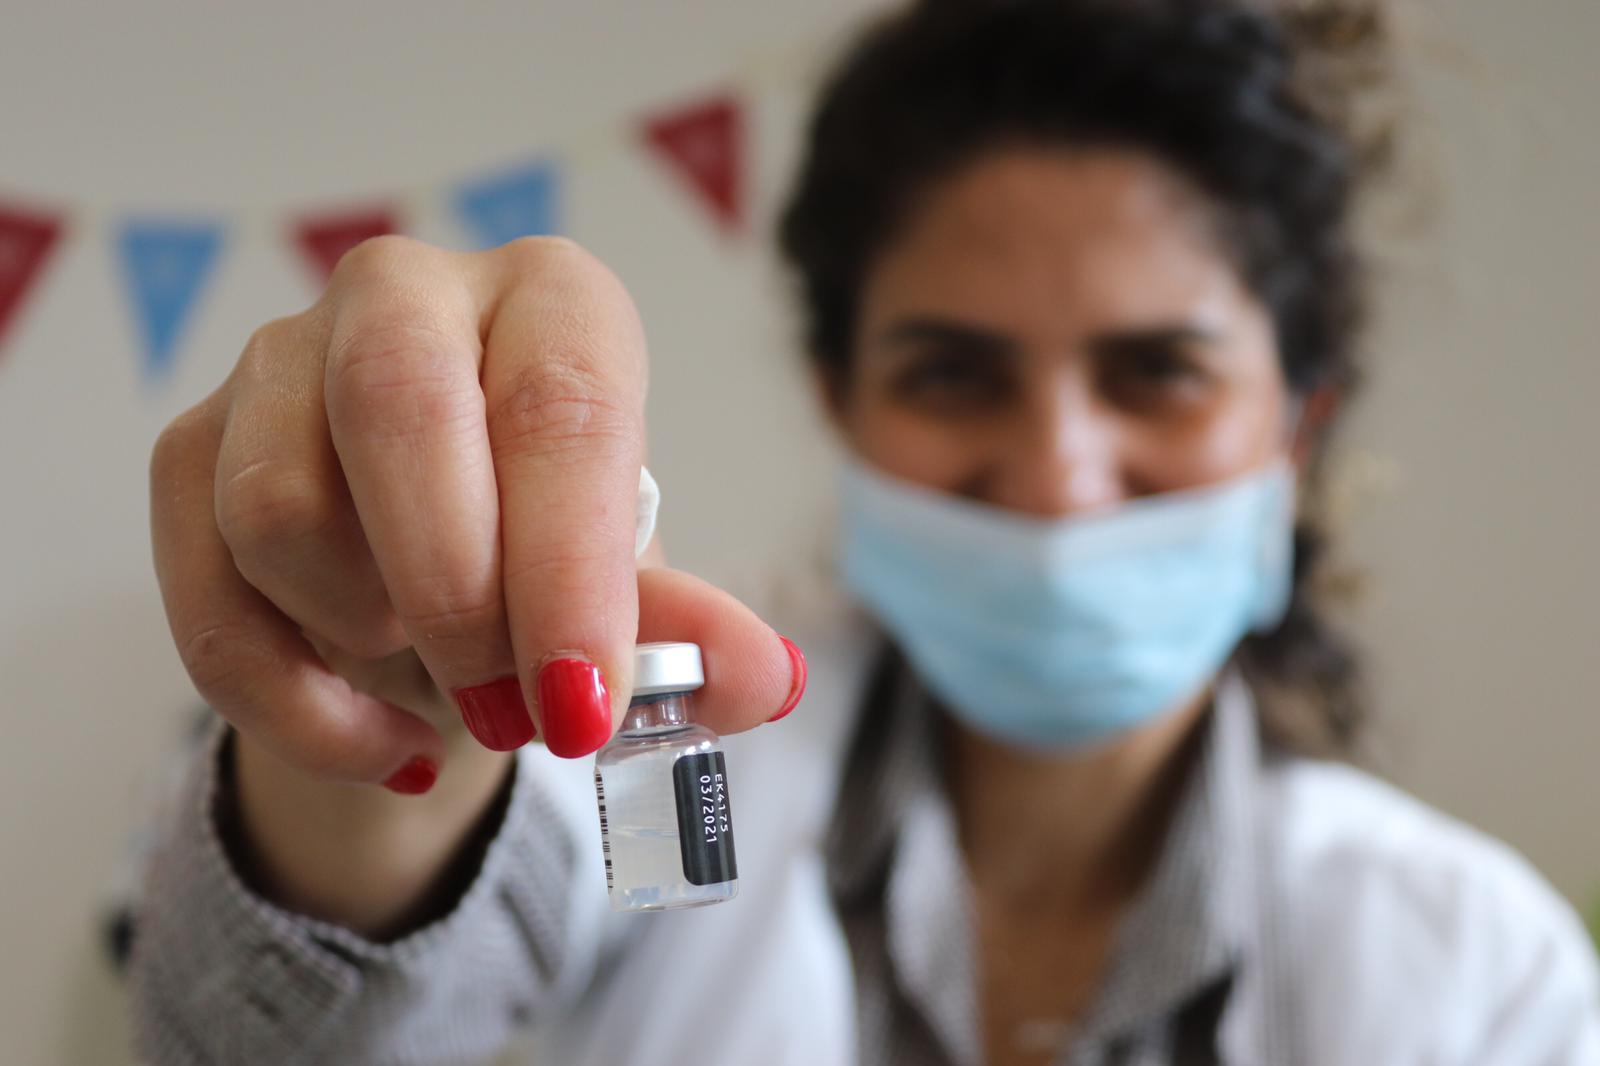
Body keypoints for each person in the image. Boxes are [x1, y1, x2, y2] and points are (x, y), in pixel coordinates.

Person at [129, 1, 1600, 1064]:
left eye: (1158, 371)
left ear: (1297, 428)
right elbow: (265, 1033)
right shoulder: (666, 746)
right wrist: (396, 686)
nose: (1057, 477)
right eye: (953, 372)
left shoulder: (1479, 971)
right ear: (840, 400)